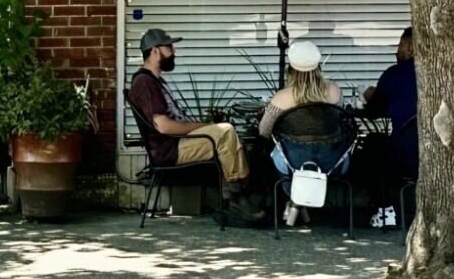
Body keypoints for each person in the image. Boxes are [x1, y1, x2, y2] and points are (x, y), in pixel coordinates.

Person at [126, 28, 261, 221]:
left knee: (225, 133)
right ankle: (238, 197)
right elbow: (164, 127)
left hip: (177, 143)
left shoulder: (156, 81)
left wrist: (205, 126)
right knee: (225, 133)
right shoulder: (145, 83)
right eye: (170, 47)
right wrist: (200, 127)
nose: (174, 52)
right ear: (155, 51)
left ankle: (233, 197)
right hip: (170, 150)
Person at [260, 40, 352, 175]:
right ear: (318, 68)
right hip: (333, 163)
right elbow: (344, 121)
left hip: (293, 164)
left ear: (291, 70)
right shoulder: (334, 91)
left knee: (276, 156)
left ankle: (290, 193)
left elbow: (264, 131)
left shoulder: (281, 98)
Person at [363, 27, 418, 178]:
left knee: (372, 145)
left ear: (410, 48)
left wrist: (370, 96)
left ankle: (384, 199)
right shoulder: (439, 74)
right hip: (436, 153)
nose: (396, 51)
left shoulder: (393, 75)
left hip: (403, 153)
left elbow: (373, 113)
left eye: (399, 45)